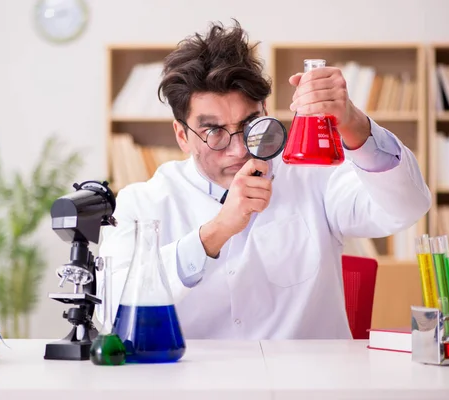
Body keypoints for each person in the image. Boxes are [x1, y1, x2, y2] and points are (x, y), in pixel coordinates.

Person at [98, 20, 431, 340]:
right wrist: (215, 233)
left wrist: (353, 122)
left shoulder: (312, 174)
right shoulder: (142, 202)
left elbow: (408, 207)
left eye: (251, 125)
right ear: (182, 136)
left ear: (266, 110)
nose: (240, 149)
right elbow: (110, 308)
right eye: (213, 131)